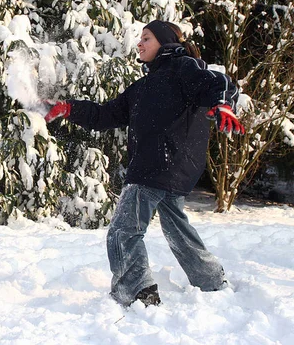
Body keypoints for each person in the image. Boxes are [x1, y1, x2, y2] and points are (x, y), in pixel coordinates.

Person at [44, 20, 245, 307]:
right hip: (176, 169)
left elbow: (218, 82)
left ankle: (138, 291)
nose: (139, 43)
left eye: (146, 38)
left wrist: (223, 102)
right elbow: (106, 115)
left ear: (165, 43)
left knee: (123, 231)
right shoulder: (143, 87)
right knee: (177, 229)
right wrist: (69, 109)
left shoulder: (183, 68)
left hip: (156, 164)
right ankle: (212, 280)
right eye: (140, 38)